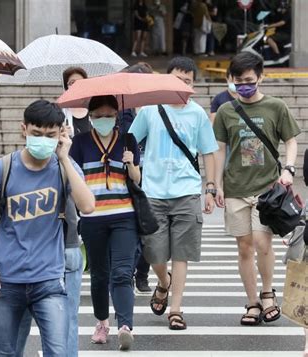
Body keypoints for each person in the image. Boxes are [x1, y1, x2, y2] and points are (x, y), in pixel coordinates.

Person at [0, 100, 95, 356]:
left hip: (49, 280)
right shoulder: (2, 169)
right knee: (5, 352)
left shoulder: (63, 169)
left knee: (58, 352)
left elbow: (88, 205)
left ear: (61, 134)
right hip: (6, 281)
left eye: (50, 135)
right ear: (23, 129)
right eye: (37, 134)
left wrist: (65, 159)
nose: (43, 140)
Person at [129, 57, 218, 330]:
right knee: (153, 252)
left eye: (188, 81)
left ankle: (176, 309)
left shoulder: (197, 114)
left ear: (194, 85)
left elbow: (209, 152)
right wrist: (133, 171)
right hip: (153, 191)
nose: (182, 85)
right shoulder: (150, 111)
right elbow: (132, 141)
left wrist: (211, 188)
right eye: (177, 79)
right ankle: (163, 282)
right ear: (165, 80)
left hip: (187, 191)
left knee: (182, 254)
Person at [213, 52, 300, 326]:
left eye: (249, 80)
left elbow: (291, 141)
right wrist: (215, 185)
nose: (244, 86)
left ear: (261, 77)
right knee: (244, 248)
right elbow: (219, 151)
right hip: (236, 188)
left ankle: (267, 293)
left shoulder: (276, 107)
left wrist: (288, 169)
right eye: (238, 81)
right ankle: (251, 302)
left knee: (263, 243)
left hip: (267, 190)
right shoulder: (226, 111)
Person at [70, 95, 141, 350]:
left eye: (109, 115)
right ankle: (102, 322)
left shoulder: (127, 140)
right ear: (90, 117)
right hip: (92, 217)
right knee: (99, 274)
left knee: (122, 272)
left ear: (116, 115)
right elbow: (73, 179)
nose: (103, 120)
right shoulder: (79, 143)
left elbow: (137, 179)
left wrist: (131, 163)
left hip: (124, 215)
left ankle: (125, 326)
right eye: (98, 116)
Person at [119, 61, 154, 295]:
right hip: (128, 173)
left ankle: (142, 272)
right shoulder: (122, 111)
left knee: (148, 229)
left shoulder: (156, 110)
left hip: (152, 174)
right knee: (130, 228)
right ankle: (129, 272)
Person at [62, 67, 92, 137]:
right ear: (66, 87)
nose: (77, 85)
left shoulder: (93, 108)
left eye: (81, 82)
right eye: (72, 82)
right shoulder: (60, 111)